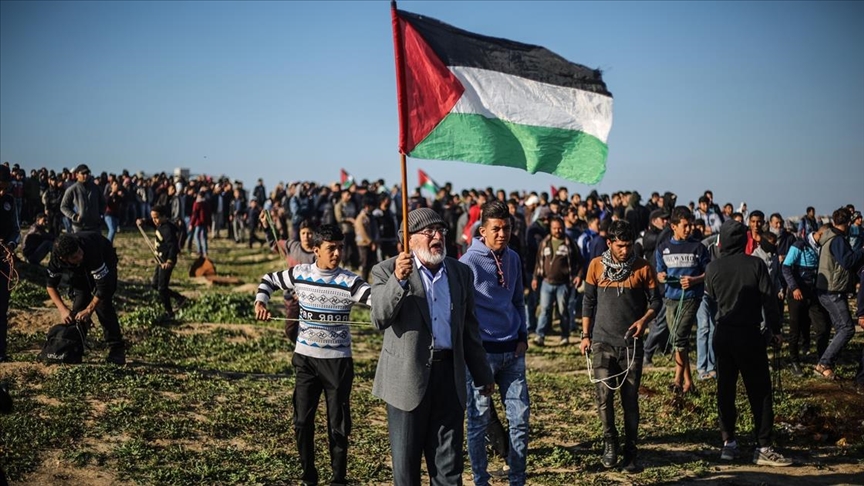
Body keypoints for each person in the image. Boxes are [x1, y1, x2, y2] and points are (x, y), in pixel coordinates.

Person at [370, 208, 494, 486]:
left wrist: (482, 372)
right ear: (408, 239)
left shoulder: (460, 272)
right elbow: (379, 317)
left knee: (449, 469)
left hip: (449, 377)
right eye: (429, 232)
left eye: (441, 231)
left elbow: (469, 327)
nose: (437, 237)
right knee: (406, 470)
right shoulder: (386, 270)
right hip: (406, 381)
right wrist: (398, 280)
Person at [254, 224, 371, 486]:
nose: (337, 253)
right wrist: (261, 301)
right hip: (305, 361)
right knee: (301, 421)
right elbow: (268, 280)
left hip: (338, 363)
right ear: (316, 250)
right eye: (331, 248)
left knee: (338, 426)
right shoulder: (300, 274)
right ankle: (309, 477)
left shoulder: (350, 281)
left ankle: (338, 479)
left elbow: (379, 301)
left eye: (340, 248)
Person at [705, 220, 792, 467]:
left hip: (723, 334)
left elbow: (712, 298)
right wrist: (776, 331)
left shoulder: (712, 268)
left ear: (722, 241)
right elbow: (769, 301)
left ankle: (728, 444)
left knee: (725, 390)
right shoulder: (756, 264)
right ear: (744, 240)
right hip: (750, 334)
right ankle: (763, 446)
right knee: (760, 392)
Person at [580, 220, 660, 473]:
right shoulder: (595, 266)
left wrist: (643, 321)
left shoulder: (643, 268)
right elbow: (588, 301)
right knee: (603, 397)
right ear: (609, 243)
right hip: (602, 342)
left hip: (630, 345)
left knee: (630, 400)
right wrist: (585, 335)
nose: (625, 251)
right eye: (620, 246)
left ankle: (631, 451)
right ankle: (609, 442)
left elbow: (656, 302)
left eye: (628, 246)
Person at [459, 200, 530, 486]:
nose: (502, 234)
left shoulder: (513, 258)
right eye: (496, 229)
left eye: (507, 228)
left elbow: (518, 300)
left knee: (520, 419)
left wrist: (523, 335)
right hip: (482, 355)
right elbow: (462, 311)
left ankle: (517, 479)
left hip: (512, 351)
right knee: (477, 421)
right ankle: (481, 480)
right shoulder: (468, 263)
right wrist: (471, 348)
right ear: (483, 231)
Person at [46, 232, 125, 365]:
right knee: (78, 307)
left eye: (79, 251)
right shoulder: (56, 258)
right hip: (78, 271)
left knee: (103, 305)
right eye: (75, 256)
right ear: (63, 258)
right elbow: (50, 285)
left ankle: (116, 349)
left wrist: (89, 310)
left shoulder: (90, 249)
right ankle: (73, 348)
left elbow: (103, 287)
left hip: (105, 257)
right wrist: (63, 310)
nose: (80, 256)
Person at [656, 206, 710, 395]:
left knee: (679, 337)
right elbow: (659, 272)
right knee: (680, 342)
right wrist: (661, 277)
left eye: (690, 225)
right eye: (685, 226)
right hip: (671, 298)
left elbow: (709, 272)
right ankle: (689, 382)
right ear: (674, 226)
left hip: (691, 298)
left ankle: (677, 380)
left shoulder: (699, 247)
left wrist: (695, 280)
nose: (689, 229)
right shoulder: (663, 248)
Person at [813, 208, 864, 379]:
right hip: (832, 291)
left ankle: (826, 364)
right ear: (848, 223)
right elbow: (847, 261)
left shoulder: (830, 237)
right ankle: (824, 364)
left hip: (828, 289)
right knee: (847, 328)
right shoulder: (838, 240)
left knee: (842, 328)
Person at [782, 225, 831, 375]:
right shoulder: (799, 245)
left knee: (822, 327)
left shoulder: (822, 247)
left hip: (813, 294)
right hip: (797, 294)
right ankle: (794, 361)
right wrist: (794, 287)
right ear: (821, 234)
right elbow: (786, 267)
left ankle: (822, 362)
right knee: (795, 330)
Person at [259, 214, 317, 342]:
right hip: (291, 297)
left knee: (311, 329)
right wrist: (266, 226)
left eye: (309, 233)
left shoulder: (317, 255)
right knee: (290, 330)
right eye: (303, 233)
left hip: (310, 300)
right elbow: (273, 243)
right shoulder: (291, 246)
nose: (306, 236)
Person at [532, 216, 581, 346]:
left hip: (563, 284)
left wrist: (579, 276)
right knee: (544, 310)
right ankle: (540, 336)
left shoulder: (569, 243)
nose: (557, 231)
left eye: (559, 228)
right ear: (550, 228)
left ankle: (564, 336)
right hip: (546, 282)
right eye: (554, 228)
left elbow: (580, 262)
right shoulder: (544, 243)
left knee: (563, 311)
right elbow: (538, 262)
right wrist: (535, 278)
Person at [138, 205, 184, 322]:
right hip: (160, 260)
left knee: (162, 288)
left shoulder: (167, 229)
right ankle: (179, 298)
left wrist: (169, 261)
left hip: (166, 262)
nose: (154, 220)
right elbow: (152, 222)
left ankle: (170, 311)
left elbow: (173, 247)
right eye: (153, 218)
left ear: (164, 217)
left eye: (156, 218)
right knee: (155, 284)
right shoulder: (160, 224)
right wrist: (143, 221)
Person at [0, 165, 20, 362]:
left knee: (1, 308)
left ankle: (1, 350)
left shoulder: (10, 201)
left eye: (5, 188)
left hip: (3, 260)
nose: (2, 192)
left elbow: (16, 229)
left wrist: (12, 245)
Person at [60, 164, 105, 233]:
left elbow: (103, 203)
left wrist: (99, 215)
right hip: (79, 227)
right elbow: (63, 206)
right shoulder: (72, 189)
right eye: (83, 173)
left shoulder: (96, 188)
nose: (86, 176)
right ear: (77, 175)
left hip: (95, 226)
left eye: (87, 173)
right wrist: (74, 216)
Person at [189, 187, 211, 257]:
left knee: (196, 236)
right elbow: (208, 214)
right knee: (203, 237)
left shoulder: (196, 203)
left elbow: (194, 214)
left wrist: (191, 224)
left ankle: (199, 250)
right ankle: (205, 252)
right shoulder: (206, 203)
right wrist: (209, 224)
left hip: (198, 222)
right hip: (204, 222)